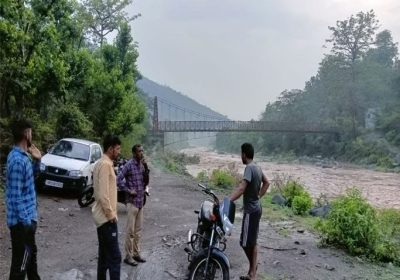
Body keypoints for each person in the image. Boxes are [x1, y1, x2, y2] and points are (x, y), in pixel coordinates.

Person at [227, 142, 269, 280]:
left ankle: (253, 269)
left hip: (251, 211)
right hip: (257, 208)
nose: (241, 157)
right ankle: (252, 273)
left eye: (241, 154)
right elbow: (266, 183)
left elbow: (241, 189)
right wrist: (258, 197)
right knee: (253, 242)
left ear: (244, 154)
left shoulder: (249, 168)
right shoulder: (257, 166)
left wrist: (227, 201)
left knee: (244, 243)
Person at [6, 118, 42, 280]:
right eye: (31, 133)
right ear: (27, 134)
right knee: (20, 267)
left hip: (26, 222)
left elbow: (29, 182)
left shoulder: (23, 157)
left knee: (31, 262)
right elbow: (15, 197)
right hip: (22, 225)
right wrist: (28, 223)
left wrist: (37, 161)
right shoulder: (18, 161)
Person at [92, 134, 122, 280]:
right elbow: (103, 196)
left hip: (102, 218)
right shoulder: (105, 165)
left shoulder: (101, 163)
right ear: (110, 149)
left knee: (104, 258)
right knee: (115, 258)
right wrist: (111, 216)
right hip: (106, 220)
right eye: (117, 149)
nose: (119, 151)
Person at [117, 144, 149, 266]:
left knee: (138, 231)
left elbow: (146, 182)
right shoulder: (129, 165)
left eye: (142, 150)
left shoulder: (142, 165)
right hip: (132, 203)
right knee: (130, 231)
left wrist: (146, 167)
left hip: (140, 203)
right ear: (134, 153)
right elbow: (118, 179)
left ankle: (136, 253)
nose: (142, 153)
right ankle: (128, 256)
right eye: (139, 151)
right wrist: (128, 190)